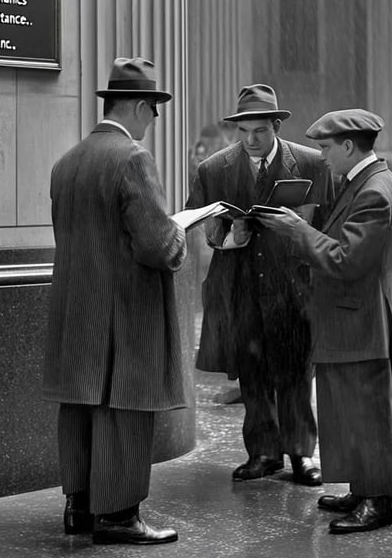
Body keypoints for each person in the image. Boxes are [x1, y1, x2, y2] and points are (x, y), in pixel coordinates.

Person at [43, 57, 187, 544]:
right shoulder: (132, 159)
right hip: (125, 309)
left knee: (81, 406)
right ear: (143, 107)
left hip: (75, 308)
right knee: (125, 407)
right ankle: (120, 514)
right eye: (154, 111)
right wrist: (180, 235)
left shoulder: (68, 162)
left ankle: (79, 506)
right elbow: (156, 245)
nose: (152, 122)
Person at [256, 109, 392, 536]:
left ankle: (382, 498)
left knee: (369, 413)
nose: (321, 157)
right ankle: (367, 488)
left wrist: (296, 230)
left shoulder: (374, 189)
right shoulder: (366, 181)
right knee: (355, 412)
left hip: (359, 319)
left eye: (326, 148)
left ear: (347, 146)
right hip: (353, 317)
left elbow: (346, 259)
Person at [186, 84, 333, 486]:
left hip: (293, 286)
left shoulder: (310, 163)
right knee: (252, 372)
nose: (251, 140)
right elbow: (200, 221)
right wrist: (229, 237)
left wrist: (299, 230)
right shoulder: (214, 169)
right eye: (244, 132)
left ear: (276, 127)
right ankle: (264, 452)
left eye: (260, 132)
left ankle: (301, 454)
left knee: (297, 372)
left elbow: (327, 222)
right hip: (242, 287)